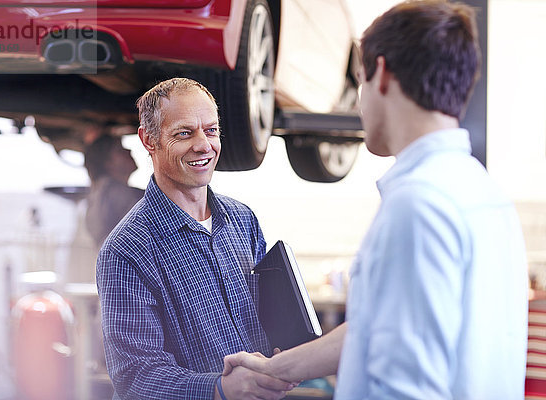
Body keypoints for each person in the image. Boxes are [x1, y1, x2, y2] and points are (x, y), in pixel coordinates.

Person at [224, 1, 529, 399]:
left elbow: (405, 387)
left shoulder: (418, 206)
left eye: (360, 80)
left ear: (381, 74)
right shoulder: (483, 195)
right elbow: (381, 324)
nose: (359, 102)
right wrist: (275, 368)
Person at [96, 78, 294, 400]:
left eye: (211, 130)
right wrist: (221, 389)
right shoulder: (126, 250)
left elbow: (269, 320)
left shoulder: (242, 220)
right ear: (149, 140)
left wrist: (286, 357)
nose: (203, 145)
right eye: (184, 133)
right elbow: (135, 377)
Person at [84, 134, 144, 247]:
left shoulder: (101, 192)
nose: (128, 150)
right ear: (107, 163)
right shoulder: (112, 191)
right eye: (119, 150)